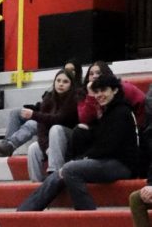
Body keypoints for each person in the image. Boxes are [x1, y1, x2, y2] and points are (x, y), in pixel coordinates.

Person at [17, 75, 138, 211]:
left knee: (70, 169)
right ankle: (23, 212)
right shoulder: (108, 112)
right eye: (96, 92)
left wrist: (83, 158)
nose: (99, 95)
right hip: (105, 161)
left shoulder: (122, 112)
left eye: (103, 90)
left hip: (120, 164)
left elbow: (109, 146)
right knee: (64, 170)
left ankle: (88, 214)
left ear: (115, 90)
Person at [21, 69, 80, 182]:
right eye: (58, 80)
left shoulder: (74, 98)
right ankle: (37, 184)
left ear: (71, 84)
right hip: (53, 141)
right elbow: (41, 126)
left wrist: (34, 115)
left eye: (65, 81)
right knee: (33, 148)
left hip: (71, 139)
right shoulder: (48, 98)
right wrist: (47, 147)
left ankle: (55, 174)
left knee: (56, 128)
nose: (61, 84)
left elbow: (59, 118)